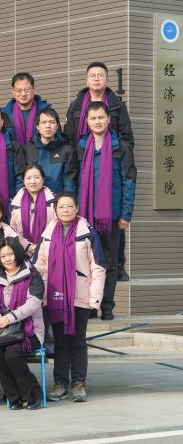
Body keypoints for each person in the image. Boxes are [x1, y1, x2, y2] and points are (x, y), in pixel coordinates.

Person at [37, 194, 104, 403]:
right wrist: (39, 295)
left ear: (77, 208)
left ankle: (78, 383)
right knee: (60, 341)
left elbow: (98, 267)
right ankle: (60, 383)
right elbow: (39, 266)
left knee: (78, 341)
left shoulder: (88, 233)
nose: (65, 210)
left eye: (69, 206)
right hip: (55, 295)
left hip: (80, 296)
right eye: (61, 207)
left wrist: (95, 299)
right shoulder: (47, 234)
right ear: (56, 210)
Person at [77, 106, 133, 320]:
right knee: (87, 262)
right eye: (93, 118)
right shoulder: (81, 147)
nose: (98, 121)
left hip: (113, 216)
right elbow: (74, 180)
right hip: (86, 216)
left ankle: (107, 306)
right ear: (87, 121)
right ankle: (91, 305)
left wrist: (126, 214)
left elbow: (129, 180)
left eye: (101, 117)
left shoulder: (121, 147)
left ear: (109, 119)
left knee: (109, 263)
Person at [0, 240, 49, 410]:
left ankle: (33, 394)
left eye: (10, 254)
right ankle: (15, 397)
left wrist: (9, 318)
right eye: (3, 256)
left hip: (30, 331)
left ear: (18, 253)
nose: (8, 259)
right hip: (5, 332)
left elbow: (33, 303)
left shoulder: (31, 274)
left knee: (12, 354)